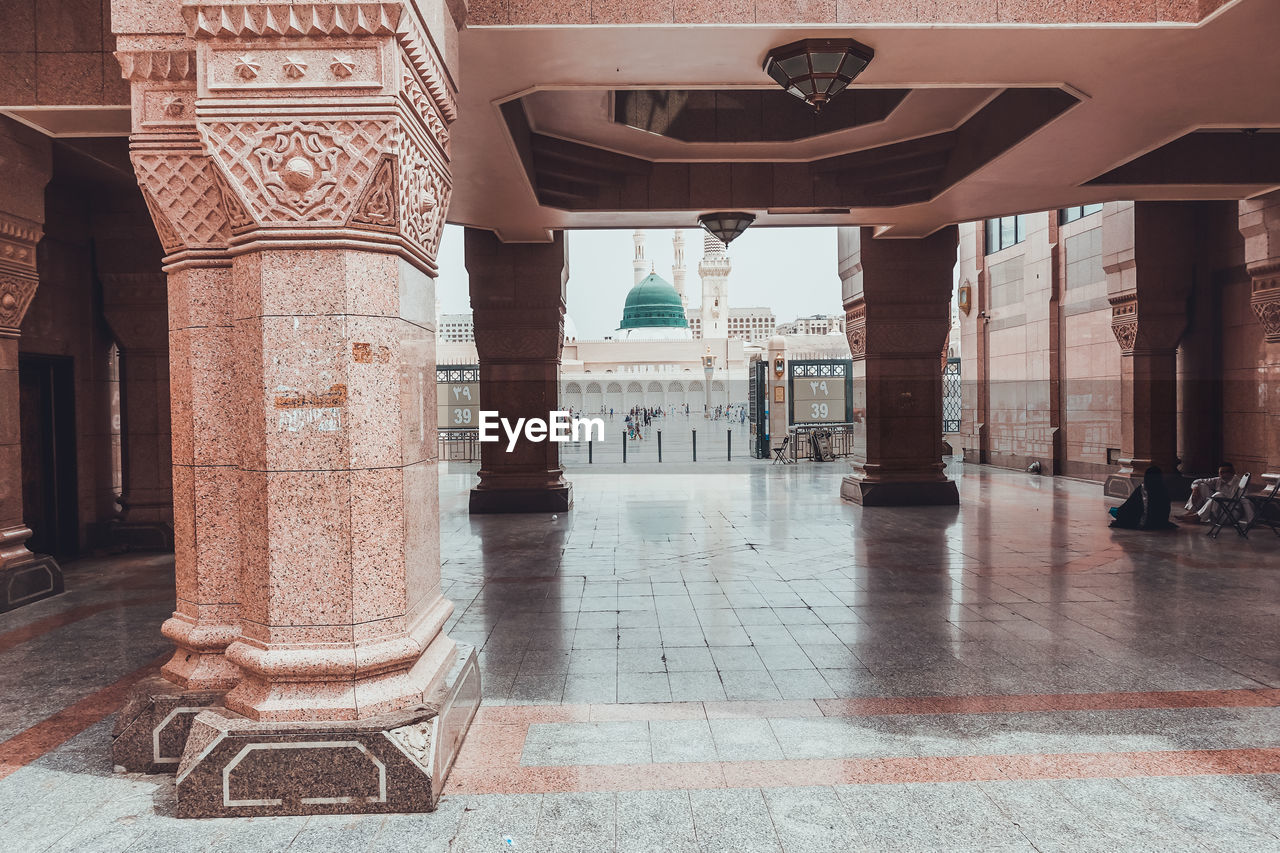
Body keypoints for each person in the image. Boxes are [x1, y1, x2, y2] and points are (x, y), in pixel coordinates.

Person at [1181, 462, 1253, 524]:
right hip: (1216, 511)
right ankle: (1191, 512)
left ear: (1232, 472)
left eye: (1226, 472)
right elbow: (1197, 481)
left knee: (1218, 495)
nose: (1223, 475)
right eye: (1221, 472)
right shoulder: (1218, 480)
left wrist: (1250, 520)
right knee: (1202, 486)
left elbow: (1245, 501)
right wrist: (1195, 489)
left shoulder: (1239, 483)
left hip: (1230, 515)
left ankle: (1197, 517)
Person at [1109, 466, 1177, 530]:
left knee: (1120, 512)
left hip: (1144, 522)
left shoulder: (1143, 489)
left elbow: (1129, 506)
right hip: (1160, 522)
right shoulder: (1163, 489)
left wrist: (1120, 514)